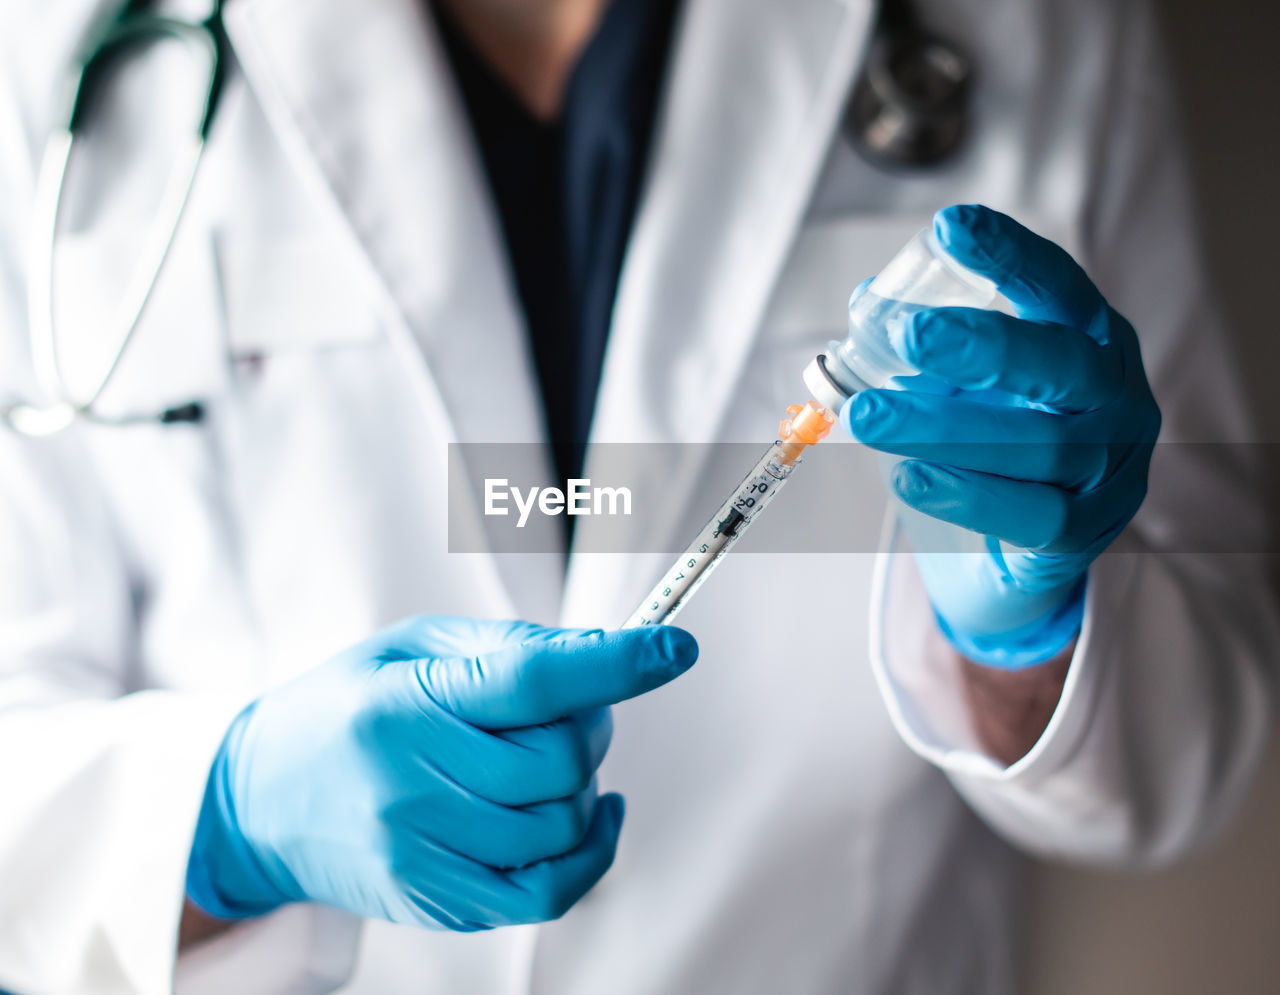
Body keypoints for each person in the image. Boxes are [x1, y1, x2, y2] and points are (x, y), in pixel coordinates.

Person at [0, 0, 1274, 992]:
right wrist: (224, 809)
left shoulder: (1029, 34)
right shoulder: (58, 61)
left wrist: (1029, 635)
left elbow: (1187, 747)